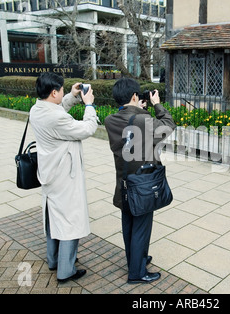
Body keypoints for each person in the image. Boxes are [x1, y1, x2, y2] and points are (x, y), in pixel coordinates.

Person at [104, 78, 176, 284]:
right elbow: (168, 125)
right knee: (142, 227)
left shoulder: (110, 120)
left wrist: (139, 110)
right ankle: (137, 273)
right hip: (143, 183)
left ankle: (135, 260)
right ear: (135, 96)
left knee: (128, 224)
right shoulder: (142, 121)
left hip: (124, 182)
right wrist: (156, 104)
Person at [29, 72, 99, 283]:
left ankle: (54, 260)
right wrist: (88, 105)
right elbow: (87, 129)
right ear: (53, 92)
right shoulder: (56, 117)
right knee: (70, 220)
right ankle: (66, 270)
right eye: (60, 90)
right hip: (64, 175)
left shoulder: (37, 109)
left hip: (49, 172)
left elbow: (56, 110)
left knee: (53, 216)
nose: (61, 92)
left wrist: (70, 96)